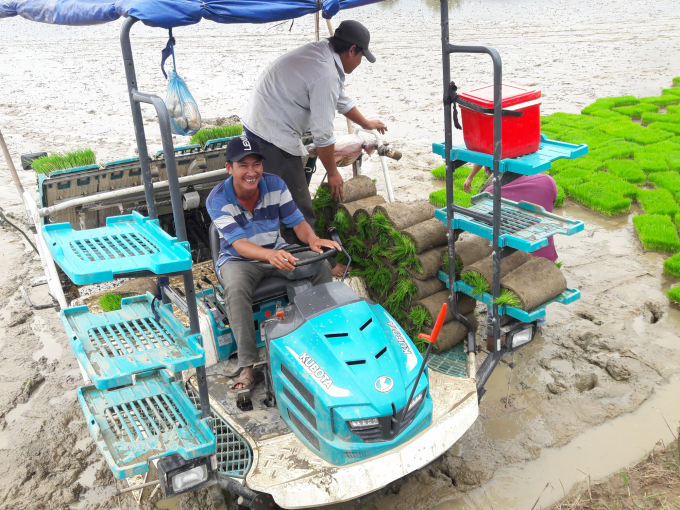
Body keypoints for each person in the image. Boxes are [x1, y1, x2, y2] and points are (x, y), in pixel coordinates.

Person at [242, 20, 387, 275]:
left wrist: (365, 123)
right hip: (271, 134)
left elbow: (339, 100)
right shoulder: (325, 73)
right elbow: (322, 135)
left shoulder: (322, 53)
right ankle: (315, 266)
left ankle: (290, 254)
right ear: (352, 50)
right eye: (362, 56)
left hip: (261, 123)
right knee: (297, 204)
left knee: (280, 197)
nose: (360, 62)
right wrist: (332, 173)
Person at [206, 137, 341, 391]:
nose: (251, 172)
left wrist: (313, 240)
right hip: (238, 259)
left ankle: (321, 339)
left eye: (256, 165)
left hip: (277, 250)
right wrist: (269, 256)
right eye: (243, 165)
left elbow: (297, 223)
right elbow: (239, 244)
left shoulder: (275, 184)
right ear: (229, 168)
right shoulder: (216, 199)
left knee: (320, 266)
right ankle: (248, 366)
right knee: (235, 290)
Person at [467, 165, 559, 348]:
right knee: (537, 301)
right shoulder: (548, 181)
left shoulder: (490, 193)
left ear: (489, 170)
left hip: (511, 266)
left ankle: (496, 333)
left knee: (498, 299)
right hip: (544, 260)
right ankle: (536, 326)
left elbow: (484, 230)